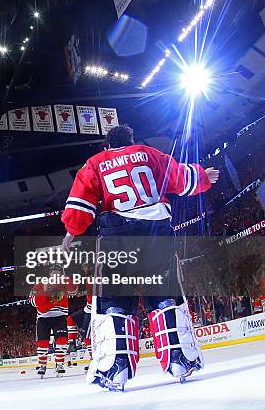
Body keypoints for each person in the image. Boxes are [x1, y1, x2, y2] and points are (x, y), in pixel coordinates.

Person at [60, 125, 219, 391]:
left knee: (114, 300)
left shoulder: (96, 162)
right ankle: (180, 359)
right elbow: (179, 177)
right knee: (164, 293)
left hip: (118, 235)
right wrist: (202, 175)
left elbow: (80, 204)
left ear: (107, 145)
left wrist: (71, 233)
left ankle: (115, 369)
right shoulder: (147, 153)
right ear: (131, 140)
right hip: (157, 231)